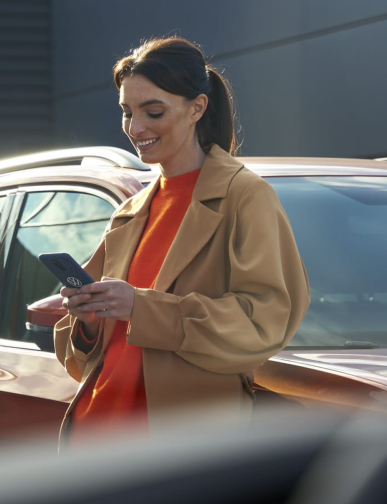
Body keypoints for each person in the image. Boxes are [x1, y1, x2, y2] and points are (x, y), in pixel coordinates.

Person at [54, 36, 309, 446]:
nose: (135, 129)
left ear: (197, 108)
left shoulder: (244, 195)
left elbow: (264, 322)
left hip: (182, 449)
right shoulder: (131, 210)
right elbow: (81, 356)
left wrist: (141, 306)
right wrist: (87, 319)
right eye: (126, 112)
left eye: (153, 112)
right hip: (96, 437)